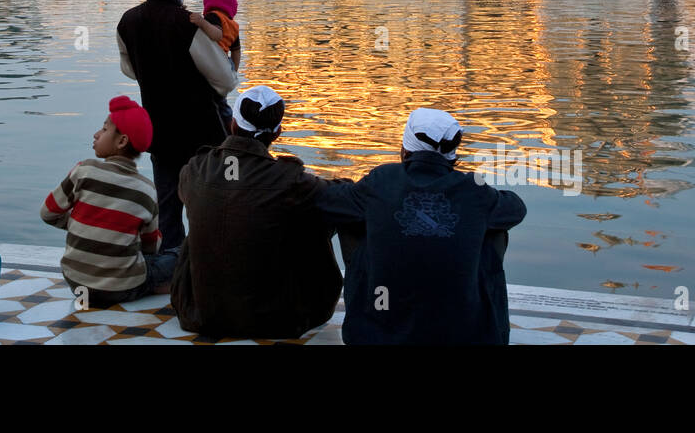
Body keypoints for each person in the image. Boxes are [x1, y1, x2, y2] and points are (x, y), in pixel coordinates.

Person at [317, 108, 526, 345]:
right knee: (494, 227)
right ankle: (483, 316)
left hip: (375, 334)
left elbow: (329, 202)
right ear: (453, 157)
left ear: (404, 150)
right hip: (467, 337)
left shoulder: (381, 180)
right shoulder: (474, 189)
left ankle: (368, 313)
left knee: (353, 219)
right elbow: (516, 208)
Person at [171, 86, 342, 339]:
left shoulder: (195, 169)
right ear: (278, 132)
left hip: (198, 312)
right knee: (315, 216)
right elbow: (339, 198)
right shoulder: (291, 180)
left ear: (232, 125)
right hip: (277, 320)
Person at [116, 0, 238, 251]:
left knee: (168, 211)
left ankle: (172, 276)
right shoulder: (188, 25)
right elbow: (225, 81)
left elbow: (130, 71)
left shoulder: (127, 22)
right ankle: (204, 277)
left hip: (160, 133)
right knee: (206, 211)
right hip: (202, 136)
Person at [41, 96, 170, 308]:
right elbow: (151, 247)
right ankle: (161, 287)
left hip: (76, 283)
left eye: (103, 129)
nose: (96, 134)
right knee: (177, 255)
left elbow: (47, 213)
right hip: (122, 288)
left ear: (121, 141)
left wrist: (82, 223)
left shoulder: (84, 171)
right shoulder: (147, 190)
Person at [188, 0, 241, 124]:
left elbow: (217, 35)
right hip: (225, 63)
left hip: (214, 63)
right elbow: (236, 51)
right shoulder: (233, 25)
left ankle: (222, 122)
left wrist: (201, 23)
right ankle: (227, 120)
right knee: (220, 101)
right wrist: (233, 70)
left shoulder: (214, 17)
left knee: (210, 97)